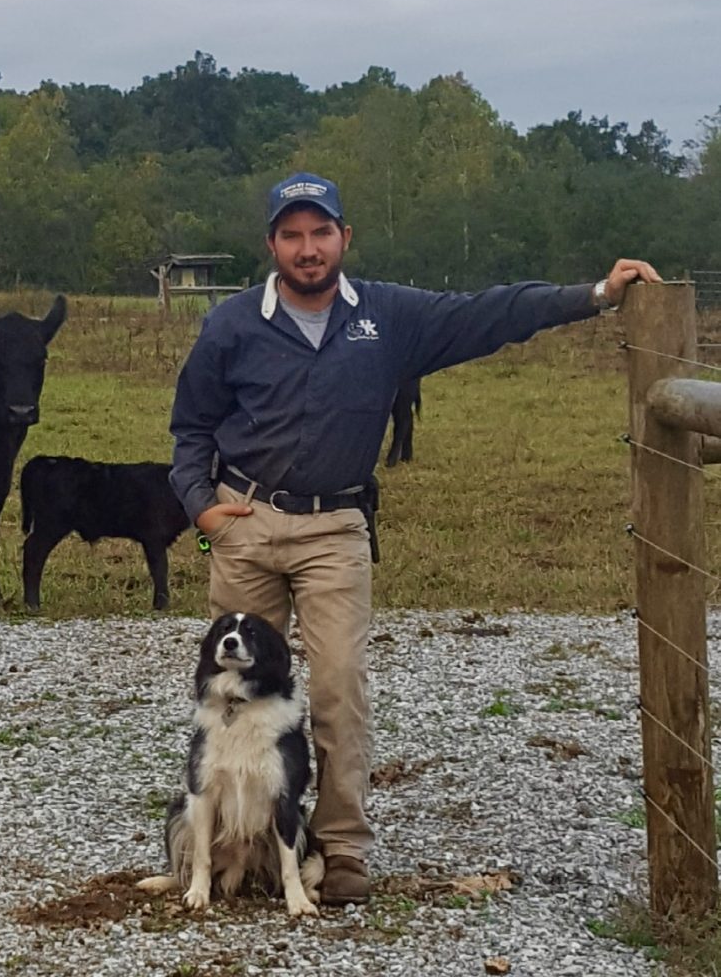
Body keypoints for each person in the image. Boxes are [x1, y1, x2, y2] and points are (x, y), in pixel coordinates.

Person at [168, 171, 661, 907]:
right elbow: (189, 431)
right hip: (244, 522)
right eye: (293, 235)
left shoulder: (387, 317)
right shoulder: (232, 325)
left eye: (321, 233)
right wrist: (203, 514)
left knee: (338, 689)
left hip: (336, 525)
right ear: (272, 243)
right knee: (233, 695)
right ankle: (233, 844)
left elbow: (490, 314)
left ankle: (340, 854)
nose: (309, 249)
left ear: (344, 238)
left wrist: (593, 295)